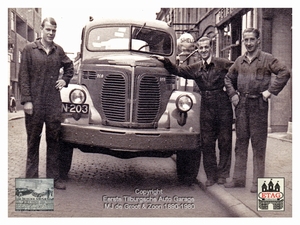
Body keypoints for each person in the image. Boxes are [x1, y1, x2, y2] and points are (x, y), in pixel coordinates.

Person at [152, 36, 233, 186]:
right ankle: (211, 176)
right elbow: (178, 70)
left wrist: (234, 92)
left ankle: (222, 175)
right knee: (207, 142)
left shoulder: (222, 64)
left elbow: (237, 71)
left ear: (211, 48)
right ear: (198, 49)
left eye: (206, 47)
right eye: (201, 48)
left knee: (225, 141)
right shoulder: (196, 67)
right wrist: (166, 61)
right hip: (206, 105)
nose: (203, 50)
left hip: (223, 105)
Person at [224, 28, 290, 193]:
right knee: (240, 143)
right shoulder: (239, 61)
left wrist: (270, 92)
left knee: (258, 145)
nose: (248, 43)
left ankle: (257, 182)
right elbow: (228, 78)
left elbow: (284, 72)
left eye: (252, 40)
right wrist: (232, 94)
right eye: (246, 40)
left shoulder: (267, 59)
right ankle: (238, 180)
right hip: (242, 106)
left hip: (258, 105)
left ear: (258, 41)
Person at [18, 17, 74, 190]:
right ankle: (33, 181)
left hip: (52, 105)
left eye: (54, 30)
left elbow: (70, 67)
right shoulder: (29, 49)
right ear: (41, 29)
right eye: (48, 29)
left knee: (54, 141)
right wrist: (26, 101)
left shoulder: (59, 51)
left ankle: (53, 179)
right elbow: (23, 76)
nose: (51, 33)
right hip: (34, 104)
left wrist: (65, 79)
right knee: (33, 142)